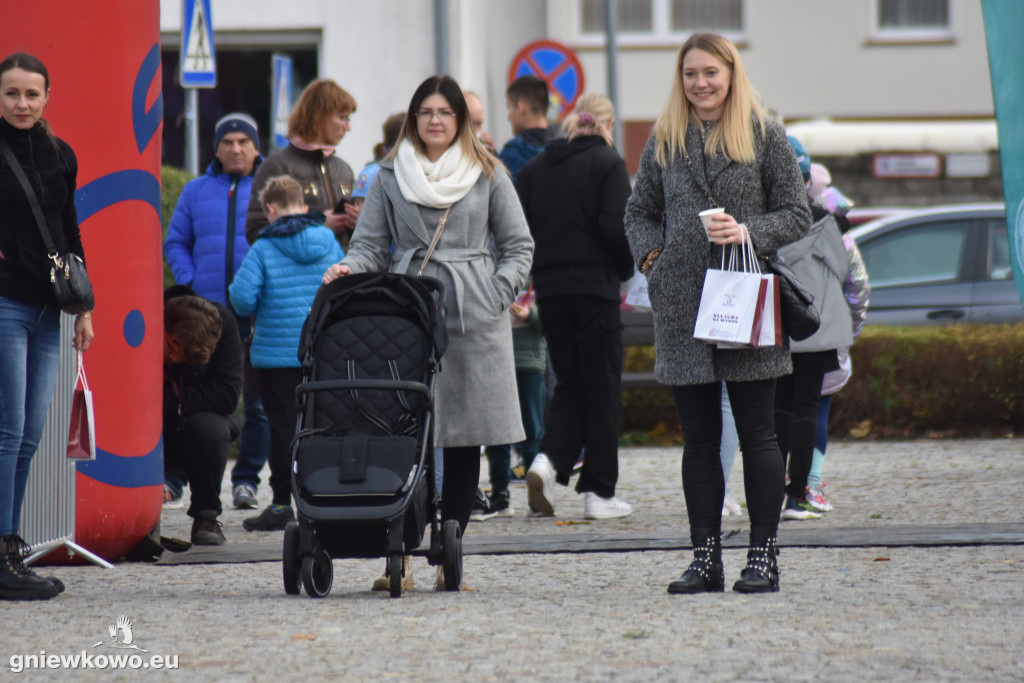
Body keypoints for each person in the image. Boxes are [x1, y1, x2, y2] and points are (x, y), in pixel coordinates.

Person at [322, 75, 533, 590]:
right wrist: (349, 269)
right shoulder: (391, 175)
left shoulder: (488, 172)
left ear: (460, 119)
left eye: (444, 112)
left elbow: (519, 245)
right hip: (408, 312)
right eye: (425, 112)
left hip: (471, 314)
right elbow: (370, 245)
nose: (435, 120)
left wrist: (494, 292)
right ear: (414, 120)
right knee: (403, 430)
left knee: (463, 439)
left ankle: (449, 557)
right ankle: (403, 554)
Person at [623, 33, 811, 594]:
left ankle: (763, 557)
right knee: (699, 438)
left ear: (731, 73)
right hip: (681, 300)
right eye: (690, 74)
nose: (700, 83)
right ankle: (705, 558)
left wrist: (750, 231)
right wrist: (653, 258)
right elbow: (639, 211)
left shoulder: (763, 134)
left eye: (710, 73)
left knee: (757, 433)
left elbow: (798, 212)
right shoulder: (665, 138)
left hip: (745, 294)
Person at [0, 52, 94, 601]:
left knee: (31, 436)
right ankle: (4, 550)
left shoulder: (60, 153)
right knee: (8, 432)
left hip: (49, 308)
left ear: (46, 97)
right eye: (12, 93)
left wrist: (86, 306)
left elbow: (69, 230)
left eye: (31, 94)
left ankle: (9, 548)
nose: (21, 104)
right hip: (6, 303)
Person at [517, 94, 634, 520]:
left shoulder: (533, 169)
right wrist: (622, 269)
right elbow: (616, 227)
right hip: (595, 289)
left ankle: (547, 463)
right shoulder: (608, 163)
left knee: (569, 382)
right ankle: (600, 495)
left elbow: (521, 231)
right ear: (607, 124)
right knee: (601, 388)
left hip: (551, 290)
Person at [163, 112, 270, 511]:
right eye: (228, 142)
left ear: (257, 147)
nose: (236, 148)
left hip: (257, 310)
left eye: (244, 141)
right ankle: (174, 476)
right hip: (204, 315)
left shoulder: (267, 189)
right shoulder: (195, 191)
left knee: (257, 401)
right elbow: (176, 241)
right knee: (186, 393)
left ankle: (246, 480)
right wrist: (189, 280)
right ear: (216, 147)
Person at [231, 175, 344, 532]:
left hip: (277, 359)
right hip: (322, 354)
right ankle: (323, 499)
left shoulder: (264, 247)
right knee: (320, 427)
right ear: (303, 205)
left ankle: (282, 505)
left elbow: (242, 298)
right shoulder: (328, 240)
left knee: (283, 431)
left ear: (270, 209)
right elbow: (343, 286)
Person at [774, 138, 858, 522]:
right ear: (807, 180)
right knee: (807, 410)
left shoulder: (767, 224)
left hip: (776, 329)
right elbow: (844, 270)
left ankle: (768, 493)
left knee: (776, 410)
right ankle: (798, 496)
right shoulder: (828, 224)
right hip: (816, 326)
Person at [801, 163, 870, 514]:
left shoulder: (771, 223)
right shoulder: (837, 232)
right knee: (817, 412)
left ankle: (777, 489)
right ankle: (808, 488)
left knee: (778, 413)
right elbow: (858, 285)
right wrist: (849, 332)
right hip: (826, 338)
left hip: (781, 341)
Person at [162, 288, 242, 546]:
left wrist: (172, 401)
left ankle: (206, 516)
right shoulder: (145, 316)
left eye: (184, 357)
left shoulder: (223, 326)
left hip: (188, 424)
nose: (174, 357)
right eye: (172, 346)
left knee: (212, 428)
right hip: (145, 423)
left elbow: (227, 395)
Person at [245, 79, 358, 250]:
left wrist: (358, 224)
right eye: (343, 118)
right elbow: (256, 231)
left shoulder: (344, 169)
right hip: (295, 275)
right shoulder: (277, 167)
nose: (348, 127)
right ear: (320, 116)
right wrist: (316, 226)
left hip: (341, 273)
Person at [498, 75, 552, 182]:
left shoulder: (512, 154)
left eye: (509, 108)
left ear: (521, 108)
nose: (509, 117)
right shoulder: (563, 150)